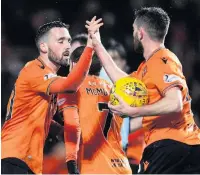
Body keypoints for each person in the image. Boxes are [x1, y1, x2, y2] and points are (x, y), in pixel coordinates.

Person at [86, 7, 200, 173]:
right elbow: (121, 80)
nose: (133, 35)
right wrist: (97, 44)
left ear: (140, 33)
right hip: (185, 146)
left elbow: (175, 102)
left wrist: (134, 110)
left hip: (169, 145)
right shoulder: (147, 67)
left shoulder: (162, 60)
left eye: (133, 30)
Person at [1, 17, 103, 174]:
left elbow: (33, 116)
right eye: (60, 41)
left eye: (69, 40)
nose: (68, 46)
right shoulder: (34, 70)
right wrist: (90, 46)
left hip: (27, 162)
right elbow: (71, 84)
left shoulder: (49, 80)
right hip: (13, 158)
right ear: (43, 46)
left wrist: (60, 131)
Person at [57, 45, 132, 174]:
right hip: (121, 166)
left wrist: (71, 163)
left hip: (94, 167)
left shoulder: (72, 88)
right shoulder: (113, 89)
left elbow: (72, 126)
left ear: (75, 65)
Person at [99, 38, 130, 152]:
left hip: (122, 150)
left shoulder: (133, 87)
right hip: (104, 149)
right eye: (108, 59)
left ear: (124, 62)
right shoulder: (97, 83)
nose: (110, 64)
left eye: (115, 59)